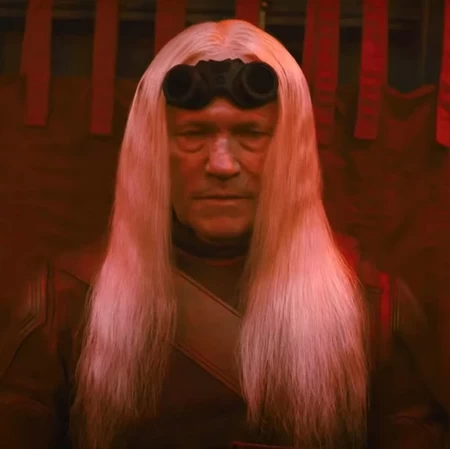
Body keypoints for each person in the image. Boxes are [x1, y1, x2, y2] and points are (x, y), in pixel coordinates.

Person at [0, 19, 447, 449]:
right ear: (154, 150)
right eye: (193, 134)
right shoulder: (66, 304)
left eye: (250, 133)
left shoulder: (372, 310)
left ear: (290, 151)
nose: (221, 165)